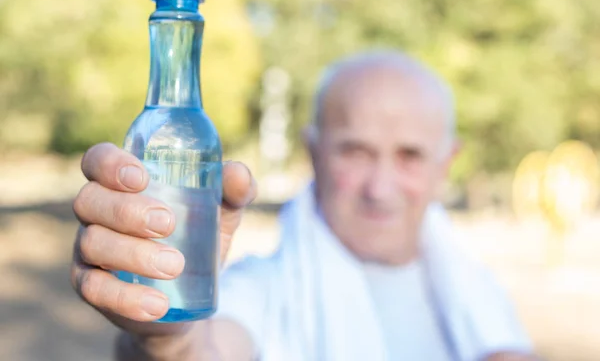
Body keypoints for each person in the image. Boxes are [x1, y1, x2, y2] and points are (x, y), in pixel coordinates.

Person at [71, 51, 539, 361]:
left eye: (409, 156)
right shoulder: (263, 288)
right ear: (313, 151)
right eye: (355, 151)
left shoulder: (478, 289)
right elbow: (206, 347)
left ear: (447, 163)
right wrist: (166, 336)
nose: (380, 186)